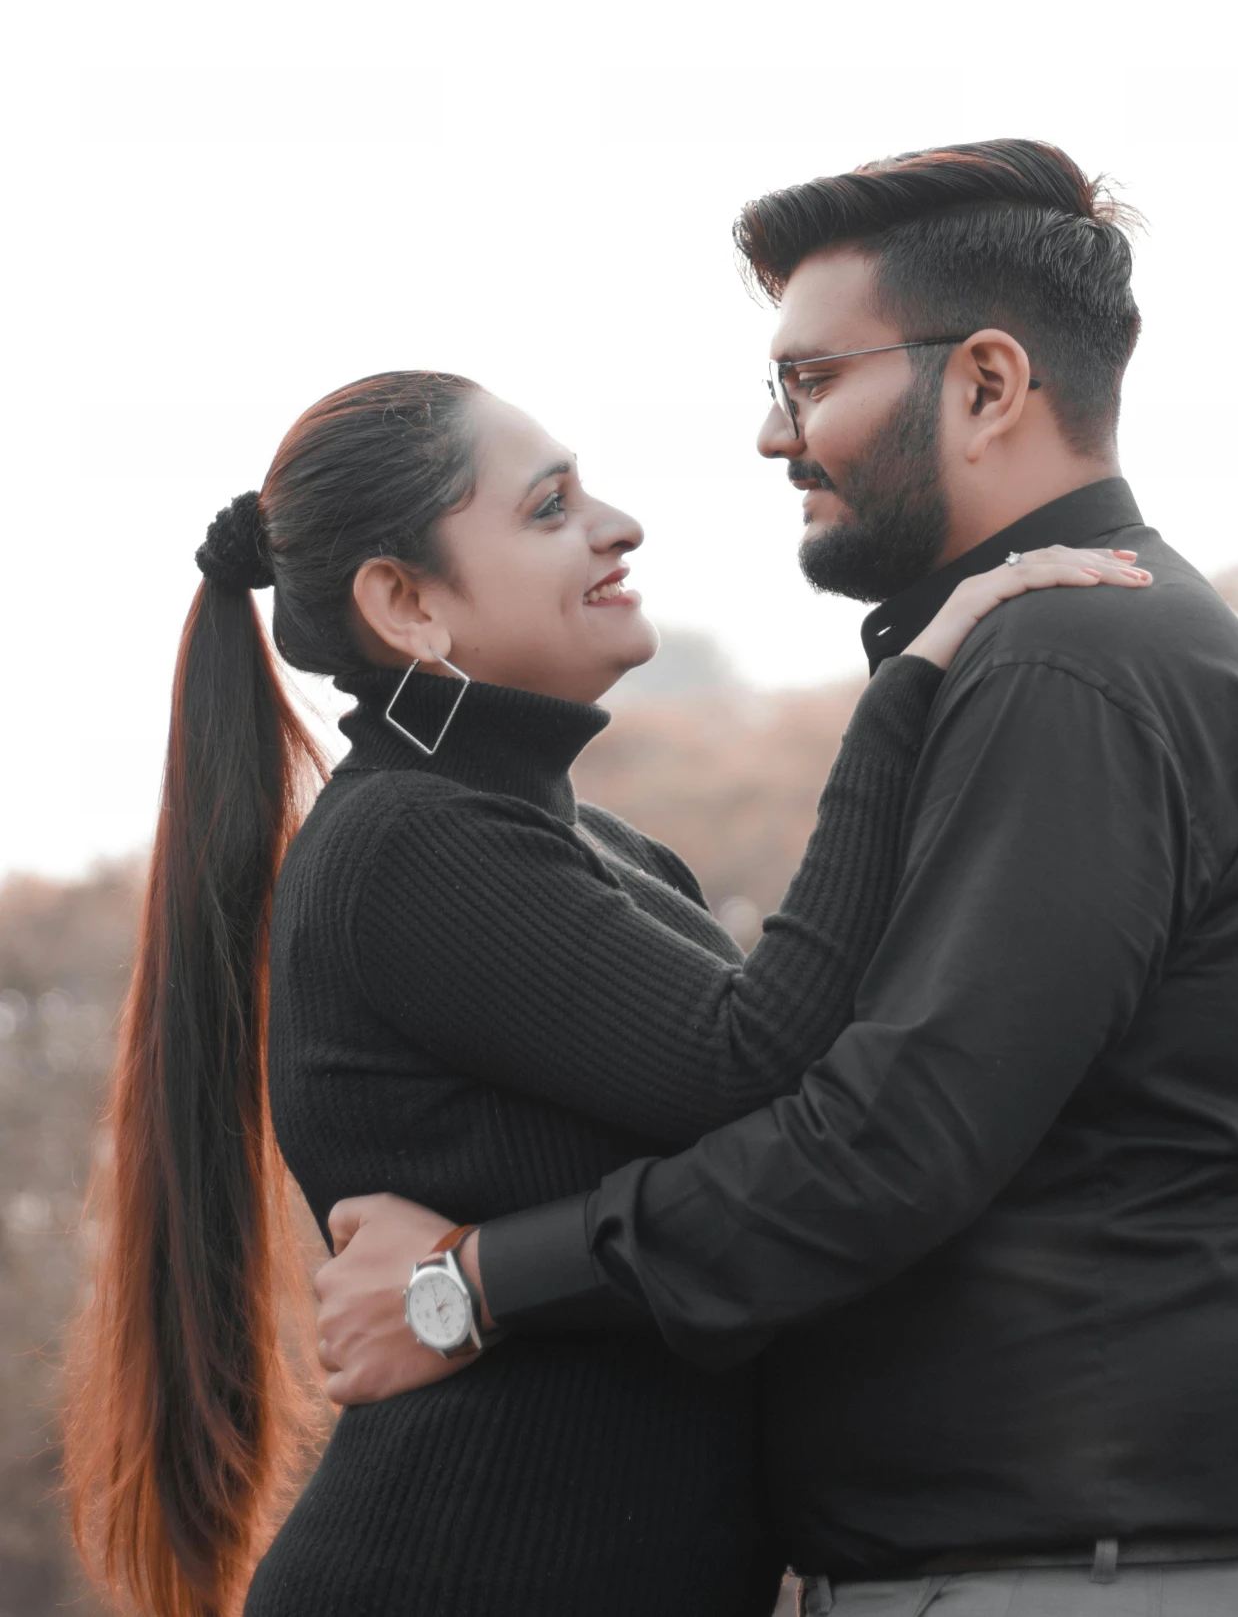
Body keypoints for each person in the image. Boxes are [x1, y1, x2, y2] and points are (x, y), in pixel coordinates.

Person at [320, 138, 1238, 1616]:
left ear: (982, 383)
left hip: (1100, 1565)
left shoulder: (1067, 661)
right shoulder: (1022, 657)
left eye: (808, 380)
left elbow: (888, 1138)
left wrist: (474, 1282)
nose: (777, 437)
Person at [62, 363, 1146, 1617]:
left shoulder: (596, 849)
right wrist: (909, 692)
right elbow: (760, 1059)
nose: (616, 524)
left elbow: (826, 1110)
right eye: (547, 508)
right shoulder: (406, 848)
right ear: (406, 603)